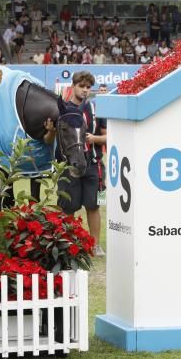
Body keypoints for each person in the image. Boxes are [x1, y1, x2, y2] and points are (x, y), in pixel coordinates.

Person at [56, 71, 106, 256]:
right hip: (69, 166)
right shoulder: (63, 110)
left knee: (93, 205)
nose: (85, 90)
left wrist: (95, 138)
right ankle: (68, 244)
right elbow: (52, 139)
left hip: (93, 164)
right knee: (68, 207)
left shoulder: (96, 110)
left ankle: (95, 245)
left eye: (88, 87)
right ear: (73, 86)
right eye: (81, 86)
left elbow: (109, 136)